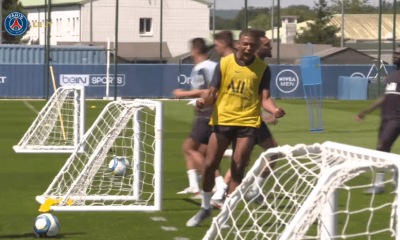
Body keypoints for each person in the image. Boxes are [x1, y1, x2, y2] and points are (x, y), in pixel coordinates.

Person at [186, 29, 285, 227]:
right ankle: (206, 208)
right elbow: (213, 93)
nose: (248, 48)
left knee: (238, 165)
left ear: (257, 47)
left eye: (252, 45)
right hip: (222, 121)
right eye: (245, 44)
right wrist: (203, 103)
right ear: (239, 44)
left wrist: (274, 110)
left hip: (247, 123)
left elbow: (264, 98)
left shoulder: (263, 69)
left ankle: (226, 214)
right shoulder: (225, 64)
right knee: (209, 166)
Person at [210, 30, 282, 209]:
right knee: (264, 154)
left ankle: (235, 192)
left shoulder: (262, 68)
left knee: (251, 157)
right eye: (266, 45)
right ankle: (237, 192)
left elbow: (259, 98)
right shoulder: (238, 64)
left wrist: (272, 111)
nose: (270, 48)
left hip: (251, 119)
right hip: (240, 121)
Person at [175, 38, 218, 199]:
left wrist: (182, 94)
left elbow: (205, 91)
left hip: (206, 113)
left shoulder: (201, 68)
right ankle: (195, 186)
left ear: (194, 51)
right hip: (215, 112)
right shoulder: (215, 66)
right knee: (202, 152)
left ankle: (217, 184)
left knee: (189, 148)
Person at [356, 48, 400, 194]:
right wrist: (366, 111)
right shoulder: (391, 76)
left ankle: (390, 180)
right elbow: (385, 98)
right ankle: (381, 183)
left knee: (383, 145)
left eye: (398, 54)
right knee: (381, 149)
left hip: (397, 118)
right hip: (386, 117)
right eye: (394, 54)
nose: (395, 56)